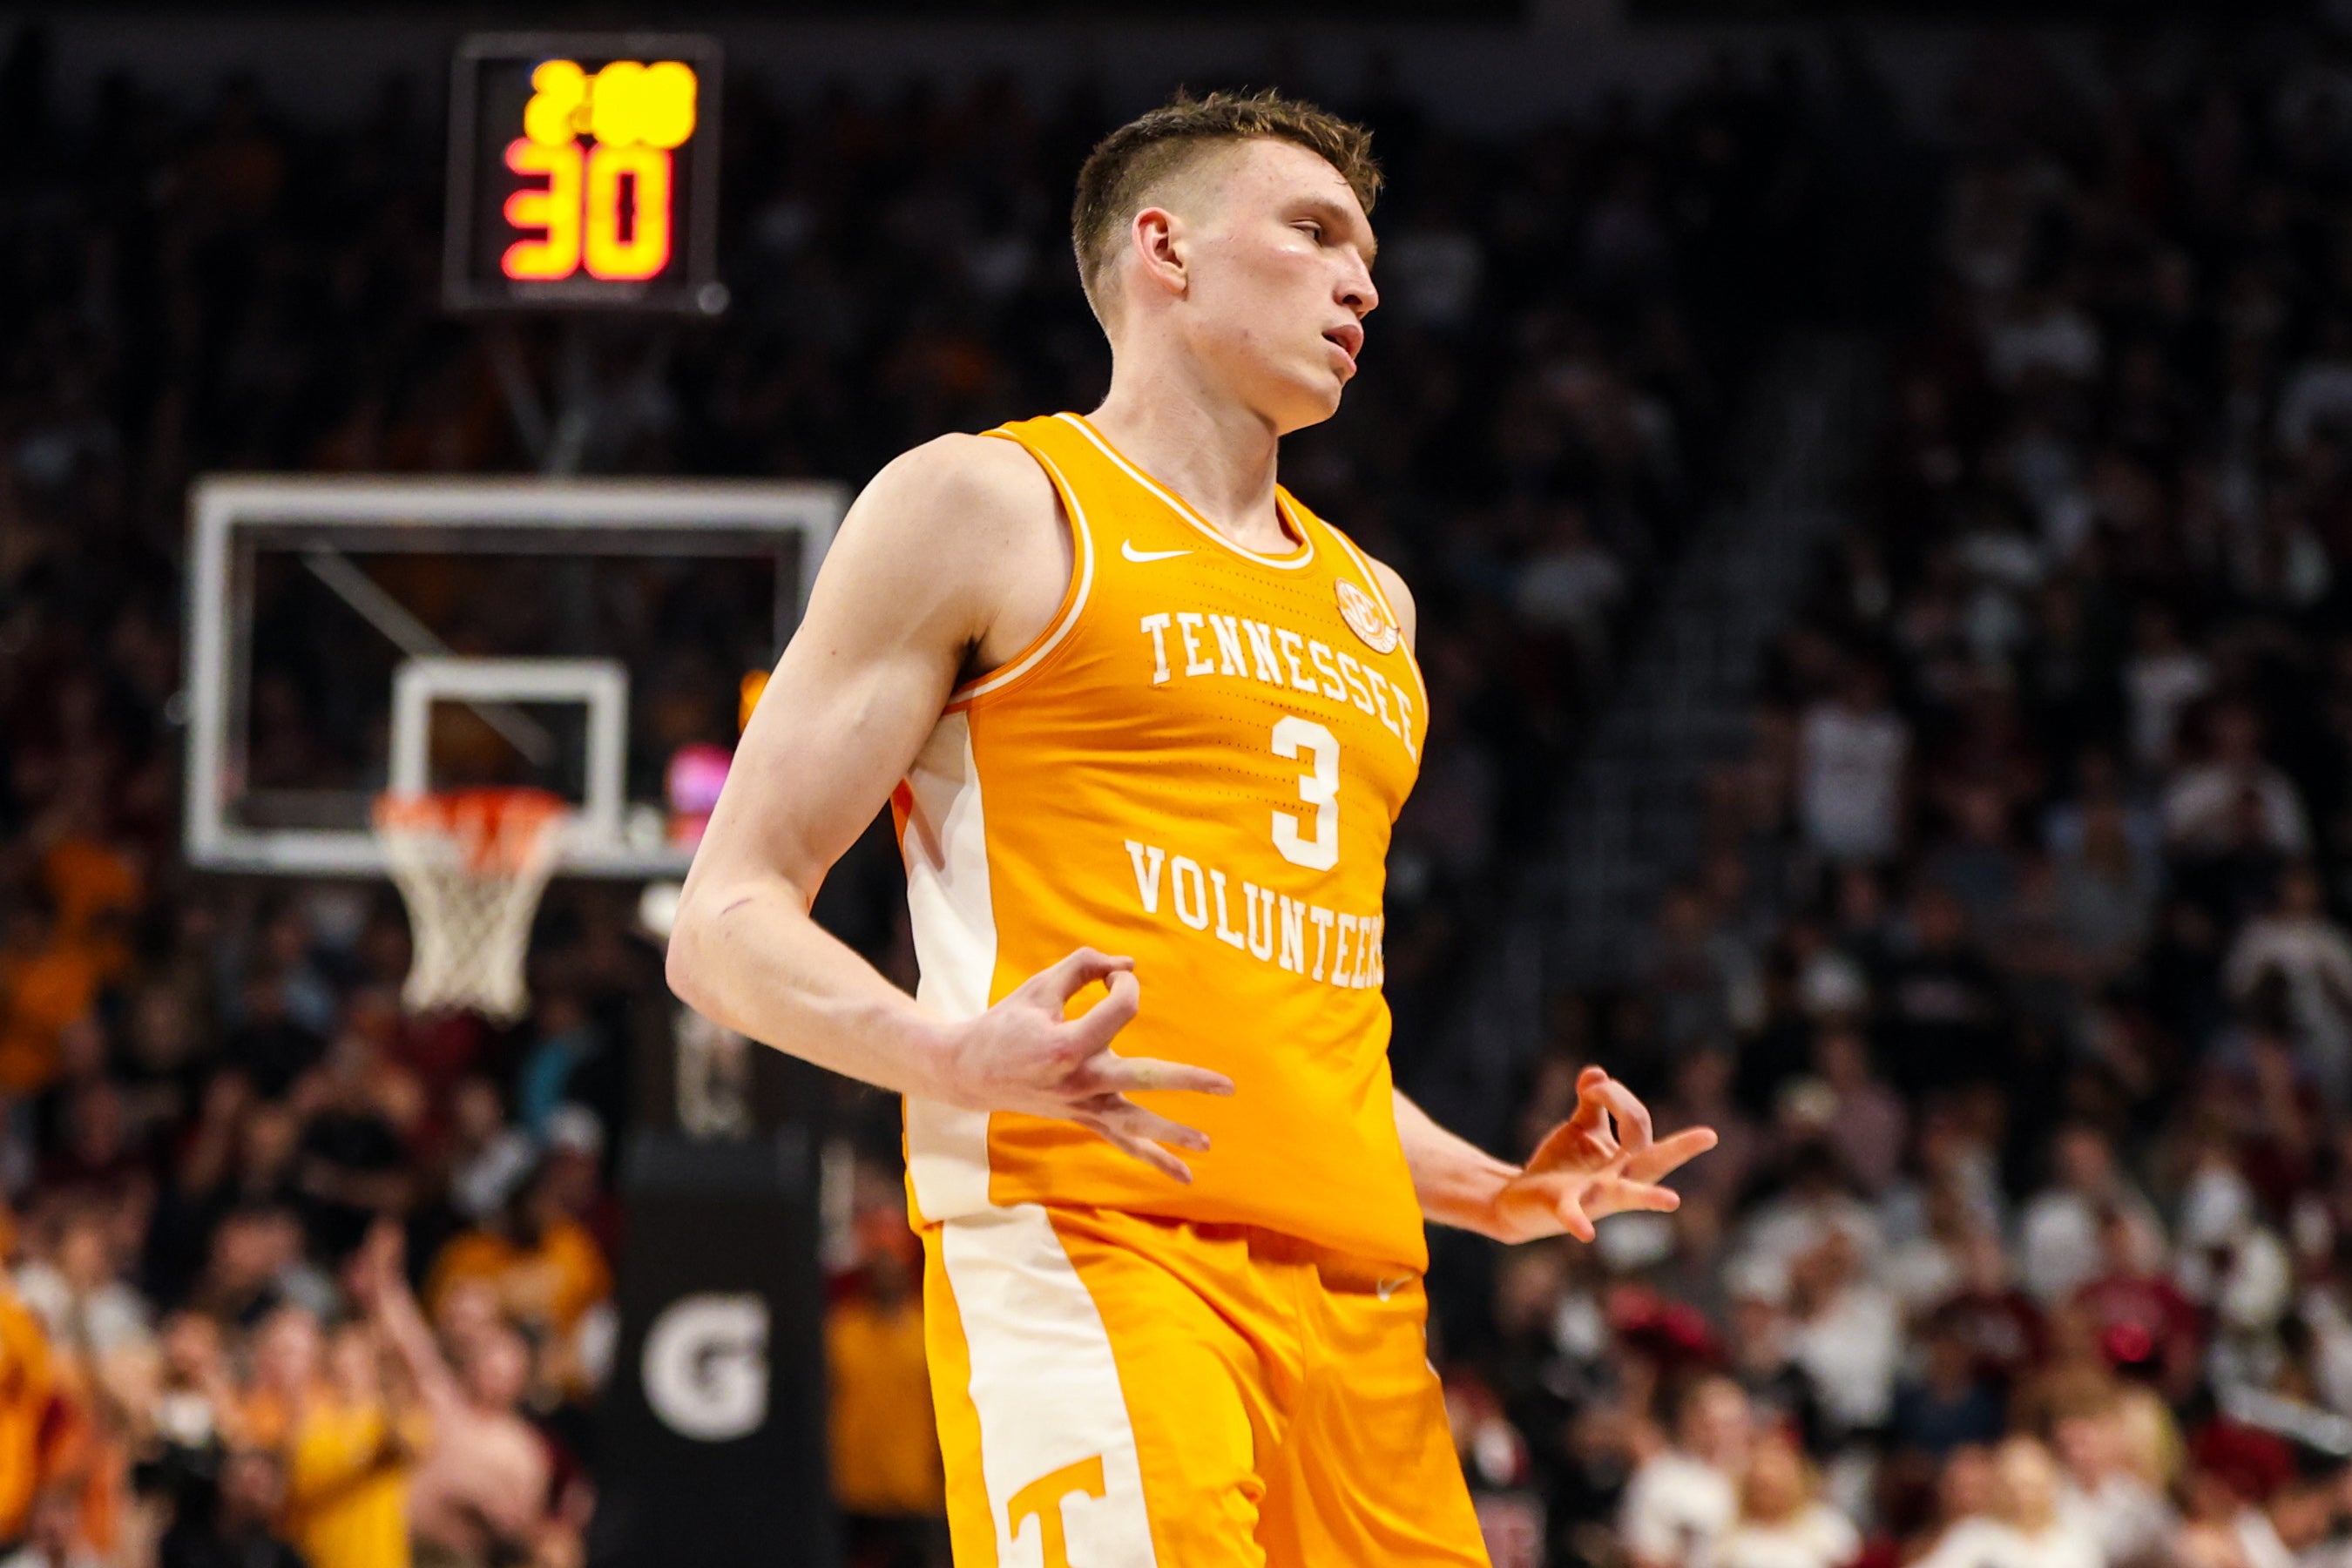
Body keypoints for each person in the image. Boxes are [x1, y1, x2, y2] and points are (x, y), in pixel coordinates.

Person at [666, 88, 1716, 1565]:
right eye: (1315, 233)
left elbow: (1288, 1025)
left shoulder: (1375, 607)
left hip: (1361, 1304)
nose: (1363, 284)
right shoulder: (992, 502)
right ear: (1164, 248)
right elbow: (722, 924)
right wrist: (946, 1055)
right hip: (1096, 1247)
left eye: (1368, 254)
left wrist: (1492, 1188)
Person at [1620, 1376, 1752, 1568]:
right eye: (1710, 1425)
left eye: (1731, 1424)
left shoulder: (1768, 1475)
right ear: (1689, 1423)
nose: (1721, 1434)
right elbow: (1645, 1555)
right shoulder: (1659, 1478)